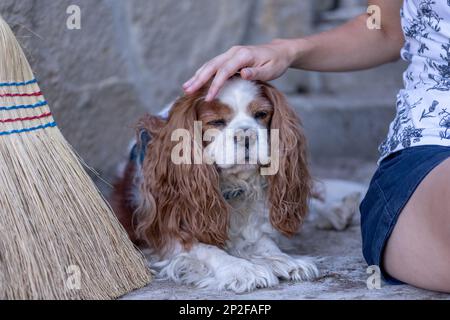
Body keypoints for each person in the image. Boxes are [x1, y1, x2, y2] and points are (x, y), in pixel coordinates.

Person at [182, 0, 450, 293]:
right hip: (433, 145)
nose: (245, 134)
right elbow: (384, 27)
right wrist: (285, 49)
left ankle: (329, 196)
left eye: (260, 116)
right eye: (218, 123)